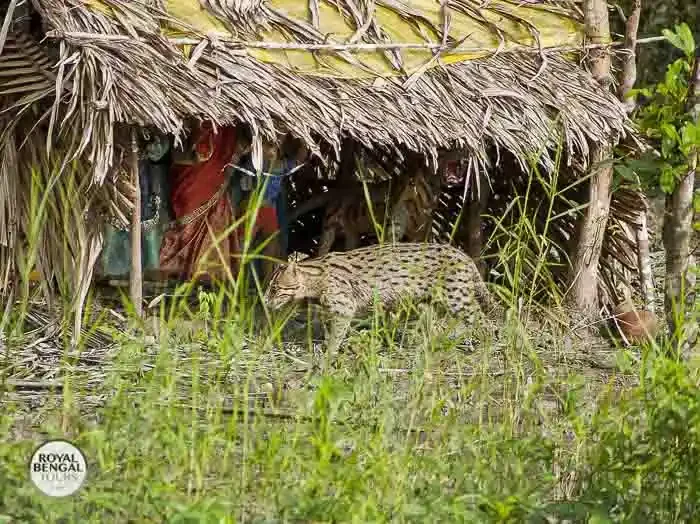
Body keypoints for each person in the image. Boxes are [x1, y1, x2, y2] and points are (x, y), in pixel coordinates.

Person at [158, 121, 248, 283]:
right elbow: (183, 153)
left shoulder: (228, 126)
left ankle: (203, 275)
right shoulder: (200, 121)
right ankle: (186, 271)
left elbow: (237, 149)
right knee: (187, 218)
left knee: (208, 222)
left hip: (210, 180)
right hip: (191, 181)